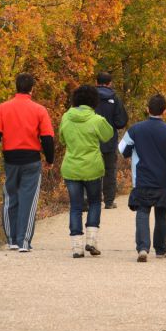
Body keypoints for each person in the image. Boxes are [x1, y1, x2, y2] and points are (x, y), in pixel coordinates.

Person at [0, 73, 55, 253]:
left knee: (10, 198)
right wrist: (50, 159)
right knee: (28, 201)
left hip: (10, 159)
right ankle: (24, 241)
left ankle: (11, 240)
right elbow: (47, 138)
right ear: (32, 88)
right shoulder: (39, 110)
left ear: (16, 87)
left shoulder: (3, 108)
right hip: (31, 159)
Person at [119, 94, 166, 262]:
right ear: (165, 111)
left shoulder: (135, 129)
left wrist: (132, 151)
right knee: (161, 215)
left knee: (142, 212)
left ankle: (143, 248)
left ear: (147, 109)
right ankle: (160, 249)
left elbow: (122, 150)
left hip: (142, 180)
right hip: (163, 182)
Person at [59, 85, 114, 258]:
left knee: (75, 206)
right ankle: (91, 240)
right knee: (95, 202)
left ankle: (76, 247)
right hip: (92, 167)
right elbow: (108, 135)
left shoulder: (66, 118)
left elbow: (61, 139)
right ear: (93, 101)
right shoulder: (96, 119)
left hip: (71, 167)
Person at [95, 72, 128, 210]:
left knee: (92, 170)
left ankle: (93, 200)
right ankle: (109, 201)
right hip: (109, 140)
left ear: (96, 82)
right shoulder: (115, 99)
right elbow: (121, 121)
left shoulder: (89, 97)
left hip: (92, 140)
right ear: (110, 83)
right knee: (110, 170)